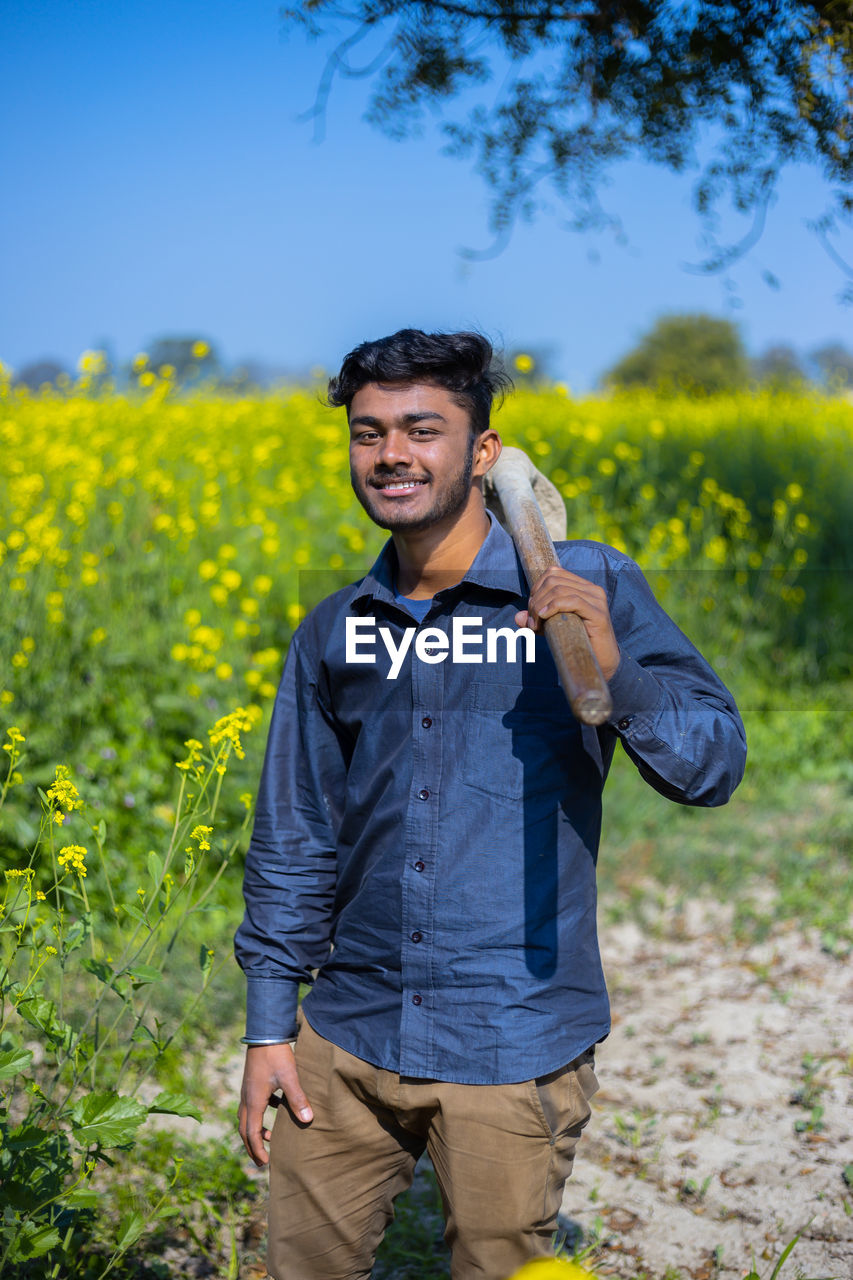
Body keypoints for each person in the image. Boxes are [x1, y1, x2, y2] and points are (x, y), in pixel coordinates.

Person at [235, 328, 746, 1280]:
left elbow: (711, 766)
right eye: (368, 432)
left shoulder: (581, 583)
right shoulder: (335, 630)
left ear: (482, 453)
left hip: (511, 1040)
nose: (391, 454)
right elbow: (294, 832)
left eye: (421, 430)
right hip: (344, 1035)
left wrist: (616, 670)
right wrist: (271, 1023)